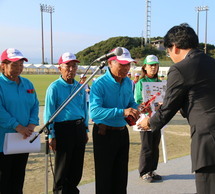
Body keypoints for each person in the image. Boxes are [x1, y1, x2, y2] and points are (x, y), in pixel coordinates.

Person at [138, 23, 215, 194]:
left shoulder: (180, 68)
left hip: (214, 149)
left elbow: (168, 109)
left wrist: (149, 123)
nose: (170, 56)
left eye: (168, 51)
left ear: (175, 47)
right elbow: (202, 102)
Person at [90, 47, 139, 194]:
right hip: (104, 133)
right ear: (110, 63)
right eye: (122, 64)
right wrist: (122, 112)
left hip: (122, 133)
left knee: (121, 176)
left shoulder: (128, 83)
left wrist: (138, 107)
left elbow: (131, 102)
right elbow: (95, 111)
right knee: (104, 178)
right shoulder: (99, 84)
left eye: (128, 64)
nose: (126, 68)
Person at [44, 52, 89, 194]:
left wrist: (86, 129)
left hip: (79, 128)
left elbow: (84, 108)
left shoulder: (79, 87)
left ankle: (72, 190)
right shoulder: (54, 87)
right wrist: (51, 134)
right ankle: (60, 191)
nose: (71, 69)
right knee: (63, 167)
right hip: (63, 129)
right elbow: (49, 113)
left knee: (77, 167)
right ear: (60, 68)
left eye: (74, 66)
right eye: (67, 66)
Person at [0, 48, 39, 193]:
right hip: (2, 142)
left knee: (18, 179)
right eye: (14, 64)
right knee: (3, 181)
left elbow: (34, 105)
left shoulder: (27, 84)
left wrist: (32, 124)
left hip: (22, 140)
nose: (18, 68)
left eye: (21, 65)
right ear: (3, 65)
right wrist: (17, 126)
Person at [134, 55, 162, 183]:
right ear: (144, 67)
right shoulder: (140, 82)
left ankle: (152, 170)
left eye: (155, 65)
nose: (153, 67)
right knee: (147, 146)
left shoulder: (160, 83)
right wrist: (146, 105)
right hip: (145, 118)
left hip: (157, 118)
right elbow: (138, 100)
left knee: (155, 145)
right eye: (151, 65)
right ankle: (144, 171)